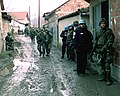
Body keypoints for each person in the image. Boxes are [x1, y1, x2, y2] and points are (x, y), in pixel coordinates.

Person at [91, 18, 115, 86]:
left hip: (107, 50)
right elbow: (95, 40)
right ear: (100, 25)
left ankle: (108, 79)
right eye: (102, 23)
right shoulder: (98, 32)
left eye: (104, 23)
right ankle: (104, 77)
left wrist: (104, 48)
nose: (103, 25)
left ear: (106, 24)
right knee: (102, 64)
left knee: (107, 64)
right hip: (99, 50)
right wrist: (94, 47)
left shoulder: (108, 31)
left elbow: (110, 41)